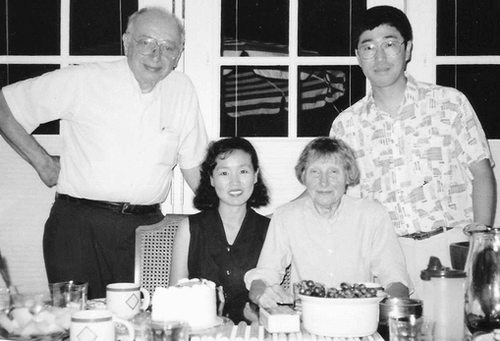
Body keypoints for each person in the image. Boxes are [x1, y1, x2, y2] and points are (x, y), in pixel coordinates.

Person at [0, 7, 208, 299]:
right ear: (126, 42)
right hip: (78, 228)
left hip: (146, 229)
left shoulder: (182, 90)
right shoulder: (84, 80)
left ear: (179, 54)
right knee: (80, 324)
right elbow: (4, 107)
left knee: (141, 324)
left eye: (168, 47)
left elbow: (194, 166)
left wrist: (227, 215)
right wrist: (43, 163)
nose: (156, 55)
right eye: (146, 42)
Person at [329, 5, 496, 298]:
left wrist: (479, 246)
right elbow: (343, 204)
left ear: (407, 50)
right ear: (358, 56)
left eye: (390, 44)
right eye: (368, 47)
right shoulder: (345, 126)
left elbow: (481, 172)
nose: (379, 57)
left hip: (451, 248)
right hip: (384, 257)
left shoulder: (449, 103)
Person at [245, 137, 411, 308]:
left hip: (358, 318)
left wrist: (387, 305)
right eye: (315, 172)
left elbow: (395, 278)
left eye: (333, 172)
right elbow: (266, 272)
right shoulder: (285, 216)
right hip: (307, 318)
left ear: (348, 176)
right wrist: (260, 293)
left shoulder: (373, 215)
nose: (324, 182)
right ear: (303, 176)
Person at [170, 137, 270, 323]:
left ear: (255, 176)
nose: (235, 182)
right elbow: (175, 299)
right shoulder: (189, 229)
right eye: (224, 173)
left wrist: (257, 316)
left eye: (243, 171)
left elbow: (272, 303)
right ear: (211, 179)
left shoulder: (270, 230)